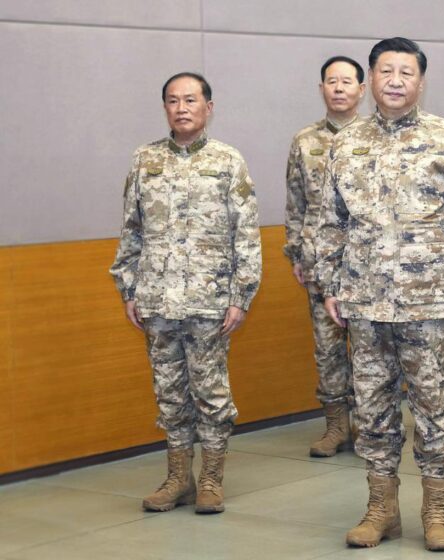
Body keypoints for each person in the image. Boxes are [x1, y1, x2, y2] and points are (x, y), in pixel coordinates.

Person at [314, 37, 444, 551]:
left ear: (421, 81)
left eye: (406, 72)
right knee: (371, 407)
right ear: (371, 78)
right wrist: (331, 285)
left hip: (431, 302)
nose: (395, 80)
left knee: (434, 405)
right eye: (386, 70)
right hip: (365, 302)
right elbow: (330, 223)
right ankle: (380, 509)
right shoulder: (345, 144)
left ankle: (435, 511)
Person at [110, 72, 262, 514]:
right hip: (156, 298)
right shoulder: (144, 160)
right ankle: (178, 478)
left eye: (190, 100)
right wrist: (128, 288)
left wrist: (240, 294)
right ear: (165, 108)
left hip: (210, 299)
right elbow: (131, 229)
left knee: (211, 391)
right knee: (170, 391)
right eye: (173, 101)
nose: (181, 108)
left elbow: (246, 235)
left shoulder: (228, 161)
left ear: (208, 108)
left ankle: (211, 480)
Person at [284, 55, 366, 456]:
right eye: (331, 81)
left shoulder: (374, 136)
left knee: (372, 348)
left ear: (361, 90)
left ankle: (370, 424)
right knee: (328, 346)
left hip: (370, 263)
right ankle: (336, 426)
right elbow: (295, 203)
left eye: (346, 81)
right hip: (321, 264)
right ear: (321, 89)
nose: (338, 88)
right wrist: (297, 254)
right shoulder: (305, 141)